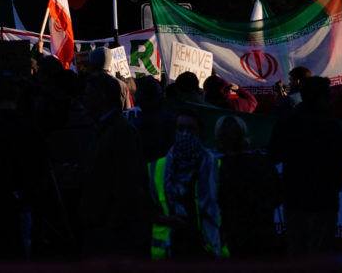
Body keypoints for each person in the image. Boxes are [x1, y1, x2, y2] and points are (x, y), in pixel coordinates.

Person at [268, 76, 342, 256]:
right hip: (323, 199)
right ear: (322, 97)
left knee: (297, 252)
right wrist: (335, 182)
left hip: (294, 197)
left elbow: (273, 156)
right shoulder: (331, 127)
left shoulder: (287, 123)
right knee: (320, 254)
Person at [80, 72, 150, 257]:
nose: (83, 99)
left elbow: (127, 183)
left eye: (88, 95)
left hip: (112, 232)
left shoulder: (120, 131)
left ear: (101, 97)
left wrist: (111, 225)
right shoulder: (104, 128)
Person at [148, 112, 224, 259]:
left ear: (200, 133)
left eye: (191, 128)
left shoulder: (216, 167)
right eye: (180, 128)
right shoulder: (156, 168)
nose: (185, 133)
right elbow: (143, 208)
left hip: (206, 250)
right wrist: (165, 219)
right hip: (170, 250)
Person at [215, 115, 280, 257]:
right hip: (264, 238)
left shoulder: (217, 169)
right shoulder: (264, 163)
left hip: (233, 240)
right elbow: (277, 197)